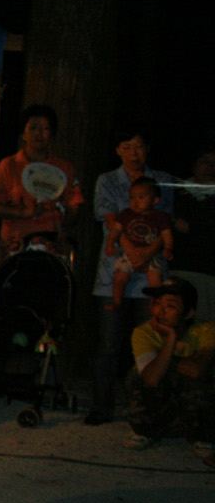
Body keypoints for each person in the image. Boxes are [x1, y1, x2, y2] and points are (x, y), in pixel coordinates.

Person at [86, 125, 176, 425]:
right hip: (115, 272)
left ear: (147, 148)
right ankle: (101, 406)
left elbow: (165, 226)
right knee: (109, 344)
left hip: (151, 274)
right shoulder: (108, 181)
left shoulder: (161, 181)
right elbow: (110, 218)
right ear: (117, 150)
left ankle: (145, 409)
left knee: (149, 343)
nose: (133, 153)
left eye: (138, 146)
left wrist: (146, 254)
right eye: (127, 146)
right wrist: (132, 251)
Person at [122, 279, 214, 460]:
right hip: (164, 408)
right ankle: (147, 430)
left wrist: (163, 357)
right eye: (156, 304)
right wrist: (171, 339)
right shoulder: (144, 332)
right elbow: (150, 379)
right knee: (137, 373)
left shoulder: (207, 330)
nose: (160, 312)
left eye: (170, 306)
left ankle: (201, 435)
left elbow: (197, 369)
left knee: (197, 378)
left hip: (193, 407)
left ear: (189, 313)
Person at [0, 104, 84, 266]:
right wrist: (24, 212)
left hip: (52, 250)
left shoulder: (64, 168)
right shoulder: (8, 166)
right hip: (16, 248)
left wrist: (62, 225)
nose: (39, 133)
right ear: (23, 133)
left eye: (45, 128)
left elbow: (75, 205)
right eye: (33, 128)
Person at [105, 176, 173, 308]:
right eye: (132, 198)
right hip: (128, 255)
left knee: (155, 282)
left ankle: (155, 306)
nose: (135, 202)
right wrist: (110, 243)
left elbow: (167, 235)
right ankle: (117, 301)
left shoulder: (160, 217)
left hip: (152, 255)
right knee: (119, 278)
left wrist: (169, 248)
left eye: (141, 197)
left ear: (155, 200)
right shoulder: (126, 214)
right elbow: (115, 231)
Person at [170, 147, 215, 322]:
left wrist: (192, 228)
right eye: (205, 162)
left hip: (210, 274)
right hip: (178, 271)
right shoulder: (176, 193)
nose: (211, 168)